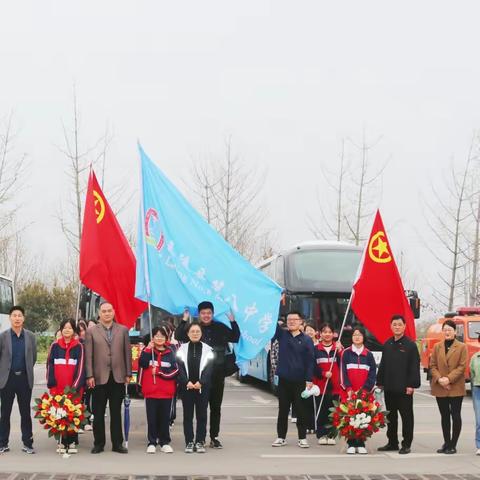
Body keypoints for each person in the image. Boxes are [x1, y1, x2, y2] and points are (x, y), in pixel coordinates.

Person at [175, 301, 240, 448]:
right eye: (203, 313)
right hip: (197, 377)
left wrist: (232, 320)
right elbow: (179, 335)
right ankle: (199, 439)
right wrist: (184, 318)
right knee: (200, 409)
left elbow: (235, 337)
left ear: (212, 314)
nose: (206, 316)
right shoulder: (194, 329)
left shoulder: (220, 328)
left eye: (209, 313)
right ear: (199, 314)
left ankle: (214, 437)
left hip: (217, 374)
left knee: (216, 407)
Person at [84, 302, 132, 454]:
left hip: (117, 376)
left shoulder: (123, 330)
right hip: (98, 377)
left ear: (113, 312)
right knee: (98, 413)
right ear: (99, 313)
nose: (106, 313)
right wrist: (89, 375)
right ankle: (99, 443)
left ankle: (117, 444)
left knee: (116, 412)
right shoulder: (91, 331)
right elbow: (89, 355)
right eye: (104, 311)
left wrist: (128, 373)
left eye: (109, 311)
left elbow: (127, 353)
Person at [376, 314, 421, 455]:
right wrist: (380, 382)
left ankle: (406, 444)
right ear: (391, 326)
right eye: (394, 324)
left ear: (404, 326)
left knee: (407, 417)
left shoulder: (410, 345)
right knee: (391, 417)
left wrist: (411, 385)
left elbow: (414, 366)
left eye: (399, 324)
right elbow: (383, 365)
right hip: (389, 388)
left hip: (404, 389)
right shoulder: (387, 344)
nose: (397, 327)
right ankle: (392, 442)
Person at [271, 311, 315, 449]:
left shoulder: (307, 340)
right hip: (284, 380)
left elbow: (310, 361)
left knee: (301, 410)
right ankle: (281, 437)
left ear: (301, 321)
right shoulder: (282, 335)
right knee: (283, 410)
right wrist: (276, 303)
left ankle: (302, 438)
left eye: (294, 319)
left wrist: (309, 379)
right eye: (289, 319)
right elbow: (272, 323)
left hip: (300, 381)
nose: (291, 322)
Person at [0, 306, 37, 454]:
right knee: (5, 413)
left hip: (24, 379)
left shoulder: (31, 336)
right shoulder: (2, 337)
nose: (17, 318)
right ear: (10, 318)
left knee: (25, 413)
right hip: (7, 380)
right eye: (14, 315)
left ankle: (27, 443)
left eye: (19, 315)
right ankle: (3, 443)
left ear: (23, 318)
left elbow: (33, 358)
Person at [46, 318, 86, 454]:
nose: (67, 330)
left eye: (70, 328)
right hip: (58, 387)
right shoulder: (55, 346)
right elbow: (49, 366)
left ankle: (72, 441)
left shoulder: (79, 346)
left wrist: (74, 387)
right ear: (61, 330)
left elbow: (81, 368)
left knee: (73, 414)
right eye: (64, 327)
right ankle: (62, 442)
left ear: (74, 330)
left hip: (74, 388)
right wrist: (51, 384)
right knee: (59, 413)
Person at [139, 326, 179, 454]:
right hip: (151, 391)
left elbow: (175, 371)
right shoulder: (148, 351)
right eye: (156, 336)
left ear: (166, 338)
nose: (159, 338)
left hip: (166, 392)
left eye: (162, 336)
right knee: (152, 418)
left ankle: (164, 442)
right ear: (152, 338)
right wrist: (147, 349)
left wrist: (160, 373)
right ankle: (152, 442)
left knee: (164, 418)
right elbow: (142, 363)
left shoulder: (171, 353)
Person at [430, 319, 467, 454]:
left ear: (455, 332)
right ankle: (446, 442)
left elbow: (462, 366)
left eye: (449, 330)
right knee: (444, 415)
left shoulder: (462, 347)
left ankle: (453, 444)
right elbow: (432, 365)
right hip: (440, 386)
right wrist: (440, 379)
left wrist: (448, 379)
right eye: (445, 330)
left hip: (455, 386)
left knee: (455, 415)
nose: (447, 332)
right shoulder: (437, 347)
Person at [176, 322, 214, 454]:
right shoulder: (181, 349)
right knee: (188, 416)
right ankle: (189, 441)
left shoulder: (208, 350)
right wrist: (186, 381)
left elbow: (209, 369)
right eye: (192, 331)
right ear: (188, 334)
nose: (195, 334)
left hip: (202, 388)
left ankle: (200, 441)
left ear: (201, 333)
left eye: (198, 331)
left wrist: (201, 382)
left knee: (202, 415)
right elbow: (179, 368)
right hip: (187, 388)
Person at [340, 325, 376, 455]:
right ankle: (350, 443)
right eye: (354, 334)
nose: (357, 337)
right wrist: (348, 389)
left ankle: (361, 443)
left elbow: (372, 374)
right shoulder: (346, 353)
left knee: (363, 417)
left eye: (359, 335)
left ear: (363, 337)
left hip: (364, 393)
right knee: (350, 418)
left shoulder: (369, 355)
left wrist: (365, 390)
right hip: (349, 392)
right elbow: (342, 373)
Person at [313, 323, 342, 446]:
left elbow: (343, 365)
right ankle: (321, 434)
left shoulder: (338, 349)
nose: (327, 334)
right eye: (325, 332)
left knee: (333, 411)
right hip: (320, 386)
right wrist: (324, 373)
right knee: (322, 410)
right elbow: (313, 367)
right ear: (320, 334)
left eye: (329, 332)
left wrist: (340, 351)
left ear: (333, 334)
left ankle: (331, 435)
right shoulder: (316, 349)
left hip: (335, 386)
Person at [77, 319, 93, 432]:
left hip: (87, 374)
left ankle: (87, 421)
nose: (81, 333)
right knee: (78, 399)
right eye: (79, 331)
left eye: (83, 330)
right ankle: (78, 423)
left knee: (87, 400)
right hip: (77, 375)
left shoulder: (89, 342)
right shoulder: (75, 344)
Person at [470, 335, 480, 455]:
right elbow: (472, 374)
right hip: (477, 389)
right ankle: (479, 444)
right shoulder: (475, 358)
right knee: (479, 419)